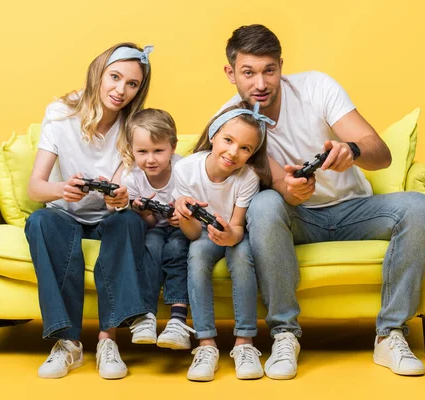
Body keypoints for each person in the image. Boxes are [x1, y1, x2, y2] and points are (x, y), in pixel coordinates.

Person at [219, 24, 425, 379]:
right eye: (249, 72)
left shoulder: (316, 87)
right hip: (297, 218)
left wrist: (351, 150)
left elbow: (380, 155)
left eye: (269, 70)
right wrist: (292, 190)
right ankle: (285, 334)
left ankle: (390, 334)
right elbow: (277, 184)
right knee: (264, 205)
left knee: (419, 206)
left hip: (353, 210)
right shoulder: (232, 121)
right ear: (231, 74)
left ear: (280, 66)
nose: (260, 83)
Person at [24, 43, 157, 380]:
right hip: (63, 214)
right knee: (39, 220)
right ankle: (67, 343)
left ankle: (107, 341)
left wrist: (119, 198)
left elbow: (123, 187)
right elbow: (35, 187)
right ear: (99, 72)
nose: (121, 90)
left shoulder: (134, 126)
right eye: (115, 77)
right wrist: (61, 188)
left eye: (132, 84)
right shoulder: (60, 113)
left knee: (128, 221)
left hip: (107, 218)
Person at [173, 101, 273, 382]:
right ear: (214, 135)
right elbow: (192, 234)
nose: (233, 153)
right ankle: (206, 345)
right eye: (228, 140)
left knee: (242, 257)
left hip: (234, 233)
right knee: (196, 256)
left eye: (245, 148)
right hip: (202, 233)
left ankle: (245, 343)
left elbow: (239, 227)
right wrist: (184, 213)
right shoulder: (186, 170)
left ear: (252, 154)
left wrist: (231, 236)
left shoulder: (248, 177)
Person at [119, 108, 195, 349]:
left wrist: (182, 218)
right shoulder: (131, 178)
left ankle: (178, 319)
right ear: (132, 149)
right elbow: (146, 224)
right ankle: (146, 315)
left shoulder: (184, 169)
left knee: (177, 247)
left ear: (173, 148)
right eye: (142, 151)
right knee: (151, 245)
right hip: (153, 229)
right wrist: (145, 214)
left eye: (158, 151)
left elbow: (199, 207)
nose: (150, 159)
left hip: (182, 230)